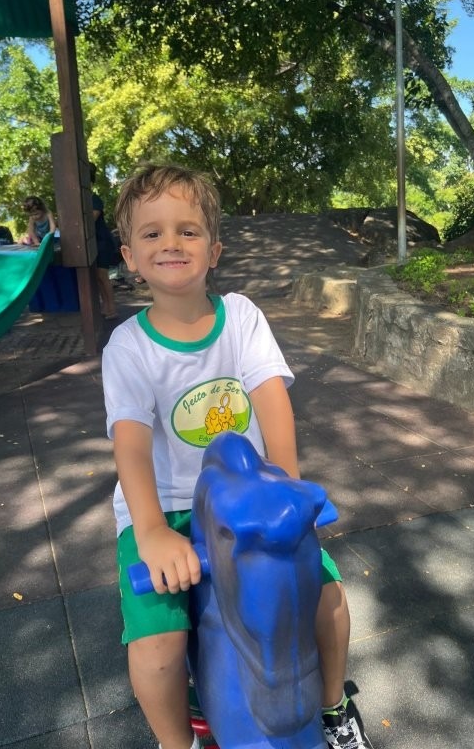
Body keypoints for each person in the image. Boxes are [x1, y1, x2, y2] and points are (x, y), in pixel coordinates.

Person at [102, 163, 367, 749]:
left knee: (326, 597)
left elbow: (271, 398)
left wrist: (286, 487)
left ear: (214, 250)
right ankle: (177, 741)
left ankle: (332, 705)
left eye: (188, 231)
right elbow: (132, 444)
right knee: (158, 643)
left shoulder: (241, 317)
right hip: (166, 505)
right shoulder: (129, 346)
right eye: (152, 233)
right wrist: (151, 531)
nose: (171, 243)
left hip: (248, 502)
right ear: (129, 256)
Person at [89, 163, 118, 320]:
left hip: (102, 242)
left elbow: (90, 220)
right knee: (98, 277)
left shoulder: (95, 200)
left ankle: (112, 308)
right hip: (94, 242)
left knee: (102, 275)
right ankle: (106, 306)